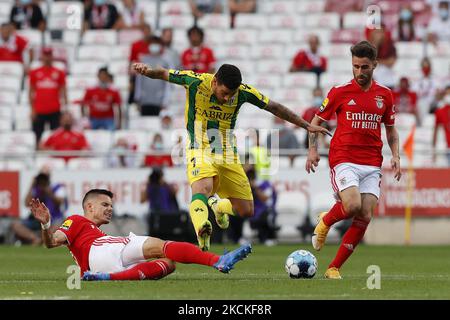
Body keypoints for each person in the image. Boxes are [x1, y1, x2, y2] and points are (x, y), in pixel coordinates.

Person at [133, 62, 331, 251]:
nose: (228, 98)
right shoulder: (195, 81)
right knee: (203, 187)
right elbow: (163, 73)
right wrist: (147, 71)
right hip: (198, 148)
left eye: (232, 94)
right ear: (215, 81)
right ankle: (202, 229)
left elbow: (275, 107)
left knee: (246, 210)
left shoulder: (243, 92)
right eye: (224, 93)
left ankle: (218, 207)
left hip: (226, 153)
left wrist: (305, 125)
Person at [305, 41, 401, 279]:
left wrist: (396, 155)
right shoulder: (339, 91)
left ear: (375, 65)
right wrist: (312, 151)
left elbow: (391, 130)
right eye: (355, 66)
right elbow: (315, 123)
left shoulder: (385, 95)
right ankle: (325, 221)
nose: (359, 72)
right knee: (353, 205)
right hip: (344, 157)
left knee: (365, 214)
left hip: (372, 162)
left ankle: (333, 267)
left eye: (364, 67)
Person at [29, 189, 252, 281]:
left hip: (98, 264)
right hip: (101, 250)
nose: (110, 209)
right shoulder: (77, 220)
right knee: (163, 246)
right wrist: (47, 224)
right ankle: (217, 261)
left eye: (111, 205)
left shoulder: (93, 230)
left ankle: (109, 278)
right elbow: (51, 242)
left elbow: (51, 244)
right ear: (89, 206)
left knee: (169, 263)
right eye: (104, 204)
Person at [29, 47, 67, 145]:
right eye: (45, 55)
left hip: (54, 109)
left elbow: (63, 91)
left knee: (55, 134)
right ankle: (38, 154)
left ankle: (53, 155)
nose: (47, 58)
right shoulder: (35, 72)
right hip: (39, 109)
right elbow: (31, 92)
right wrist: (32, 109)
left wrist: (65, 108)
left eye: (49, 55)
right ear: (42, 56)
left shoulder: (59, 72)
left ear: (52, 56)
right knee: (37, 135)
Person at [134, 36, 172, 116]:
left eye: (156, 43)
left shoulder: (165, 61)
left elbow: (168, 82)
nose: (154, 45)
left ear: (160, 45)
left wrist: (165, 101)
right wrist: (138, 99)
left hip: (159, 101)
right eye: (152, 43)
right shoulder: (143, 60)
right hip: (145, 101)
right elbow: (139, 80)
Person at [432, 85, 450, 165]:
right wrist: (434, 149)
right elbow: (435, 131)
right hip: (446, 149)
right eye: (447, 93)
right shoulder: (439, 111)